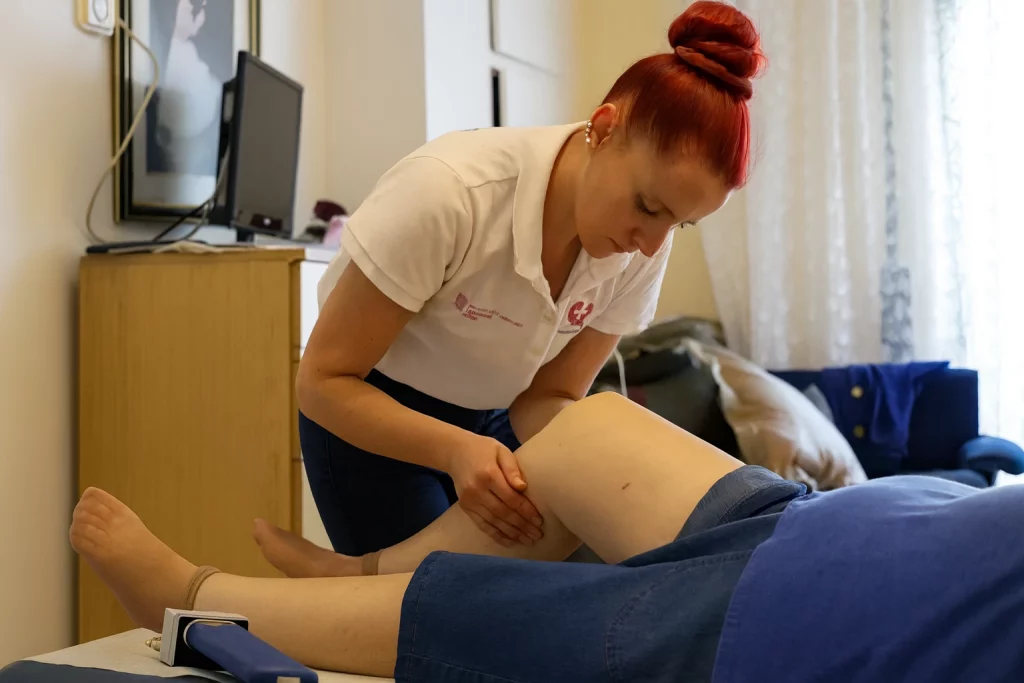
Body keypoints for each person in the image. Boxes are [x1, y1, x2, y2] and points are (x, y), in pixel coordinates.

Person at [71, 391, 1024, 682]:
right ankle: (353, 568)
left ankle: (190, 595)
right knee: (592, 432)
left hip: (807, 625)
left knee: (486, 616)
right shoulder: (470, 194)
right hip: (844, 530)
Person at [281, 0, 768, 561]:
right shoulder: (450, 193)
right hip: (372, 414)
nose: (652, 245)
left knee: (559, 590)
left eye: (679, 223)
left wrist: (628, 462)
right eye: (648, 206)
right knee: (423, 614)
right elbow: (322, 382)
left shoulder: (641, 242)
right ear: (605, 129)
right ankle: (272, 590)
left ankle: (336, 583)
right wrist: (455, 450)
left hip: (498, 418)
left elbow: (549, 399)